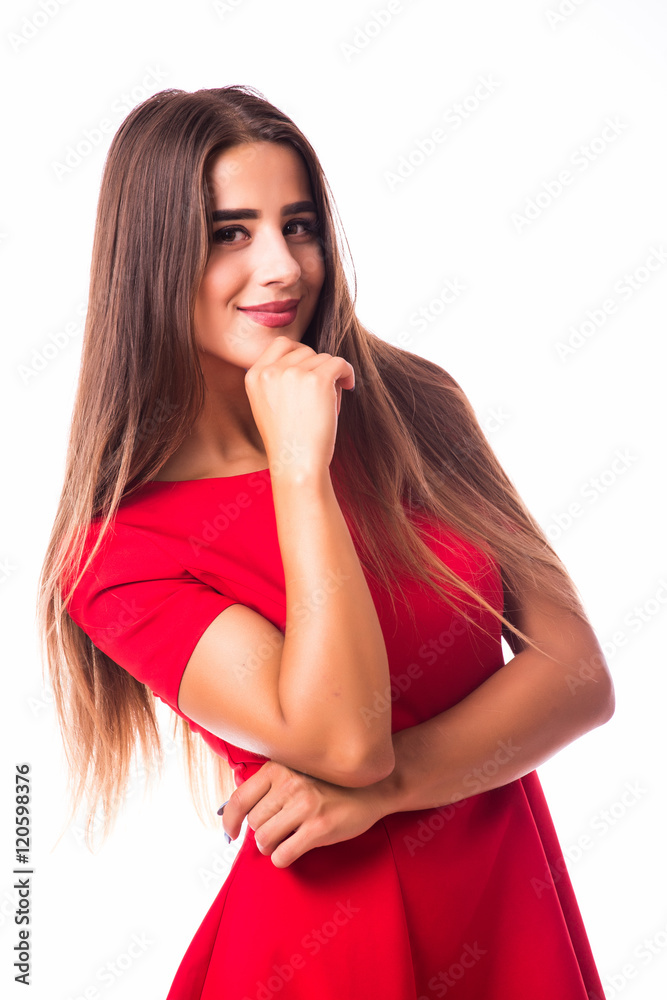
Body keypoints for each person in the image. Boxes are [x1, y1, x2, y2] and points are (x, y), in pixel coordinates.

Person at [37, 84, 615, 1000]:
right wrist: (299, 469)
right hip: (318, 956)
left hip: (508, 921)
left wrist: (386, 794)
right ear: (150, 259)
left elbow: (578, 677)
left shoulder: (415, 406)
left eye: (297, 225)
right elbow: (345, 740)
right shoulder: (118, 555)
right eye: (231, 232)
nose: (281, 268)